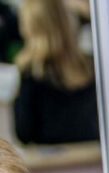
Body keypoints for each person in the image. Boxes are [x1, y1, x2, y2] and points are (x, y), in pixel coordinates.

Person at [11, 0, 98, 145]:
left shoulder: (33, 74)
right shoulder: (91, 66)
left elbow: (24, 132)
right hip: (93, 159)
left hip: (55, 165)